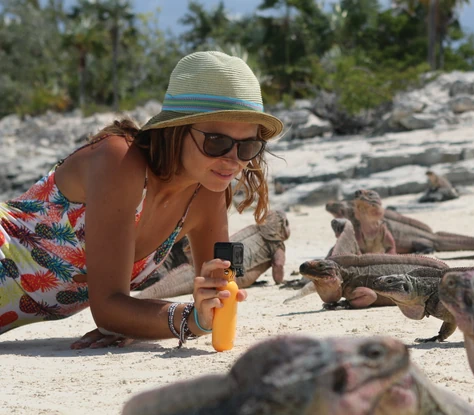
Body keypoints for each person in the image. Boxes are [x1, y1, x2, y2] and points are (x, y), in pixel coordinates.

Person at [0, 50, 284, 349]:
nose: (233, 160)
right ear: (176, 130)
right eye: (217, 142)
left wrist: (152, 321)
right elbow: (109, 308)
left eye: (248, 146)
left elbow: (224, 294)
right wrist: (187, 319)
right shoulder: (119, 159)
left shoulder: (208, 193)